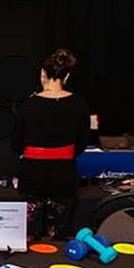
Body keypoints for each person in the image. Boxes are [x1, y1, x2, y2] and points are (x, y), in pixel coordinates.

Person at [12, 48, 89, 238]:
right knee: (59, 236)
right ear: (67, 76)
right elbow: (81, 144)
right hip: (64, 176)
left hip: (32, 175)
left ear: (42, 74)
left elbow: (16, 143)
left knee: (29, 236)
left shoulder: (26, 105)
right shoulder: (80, 105)